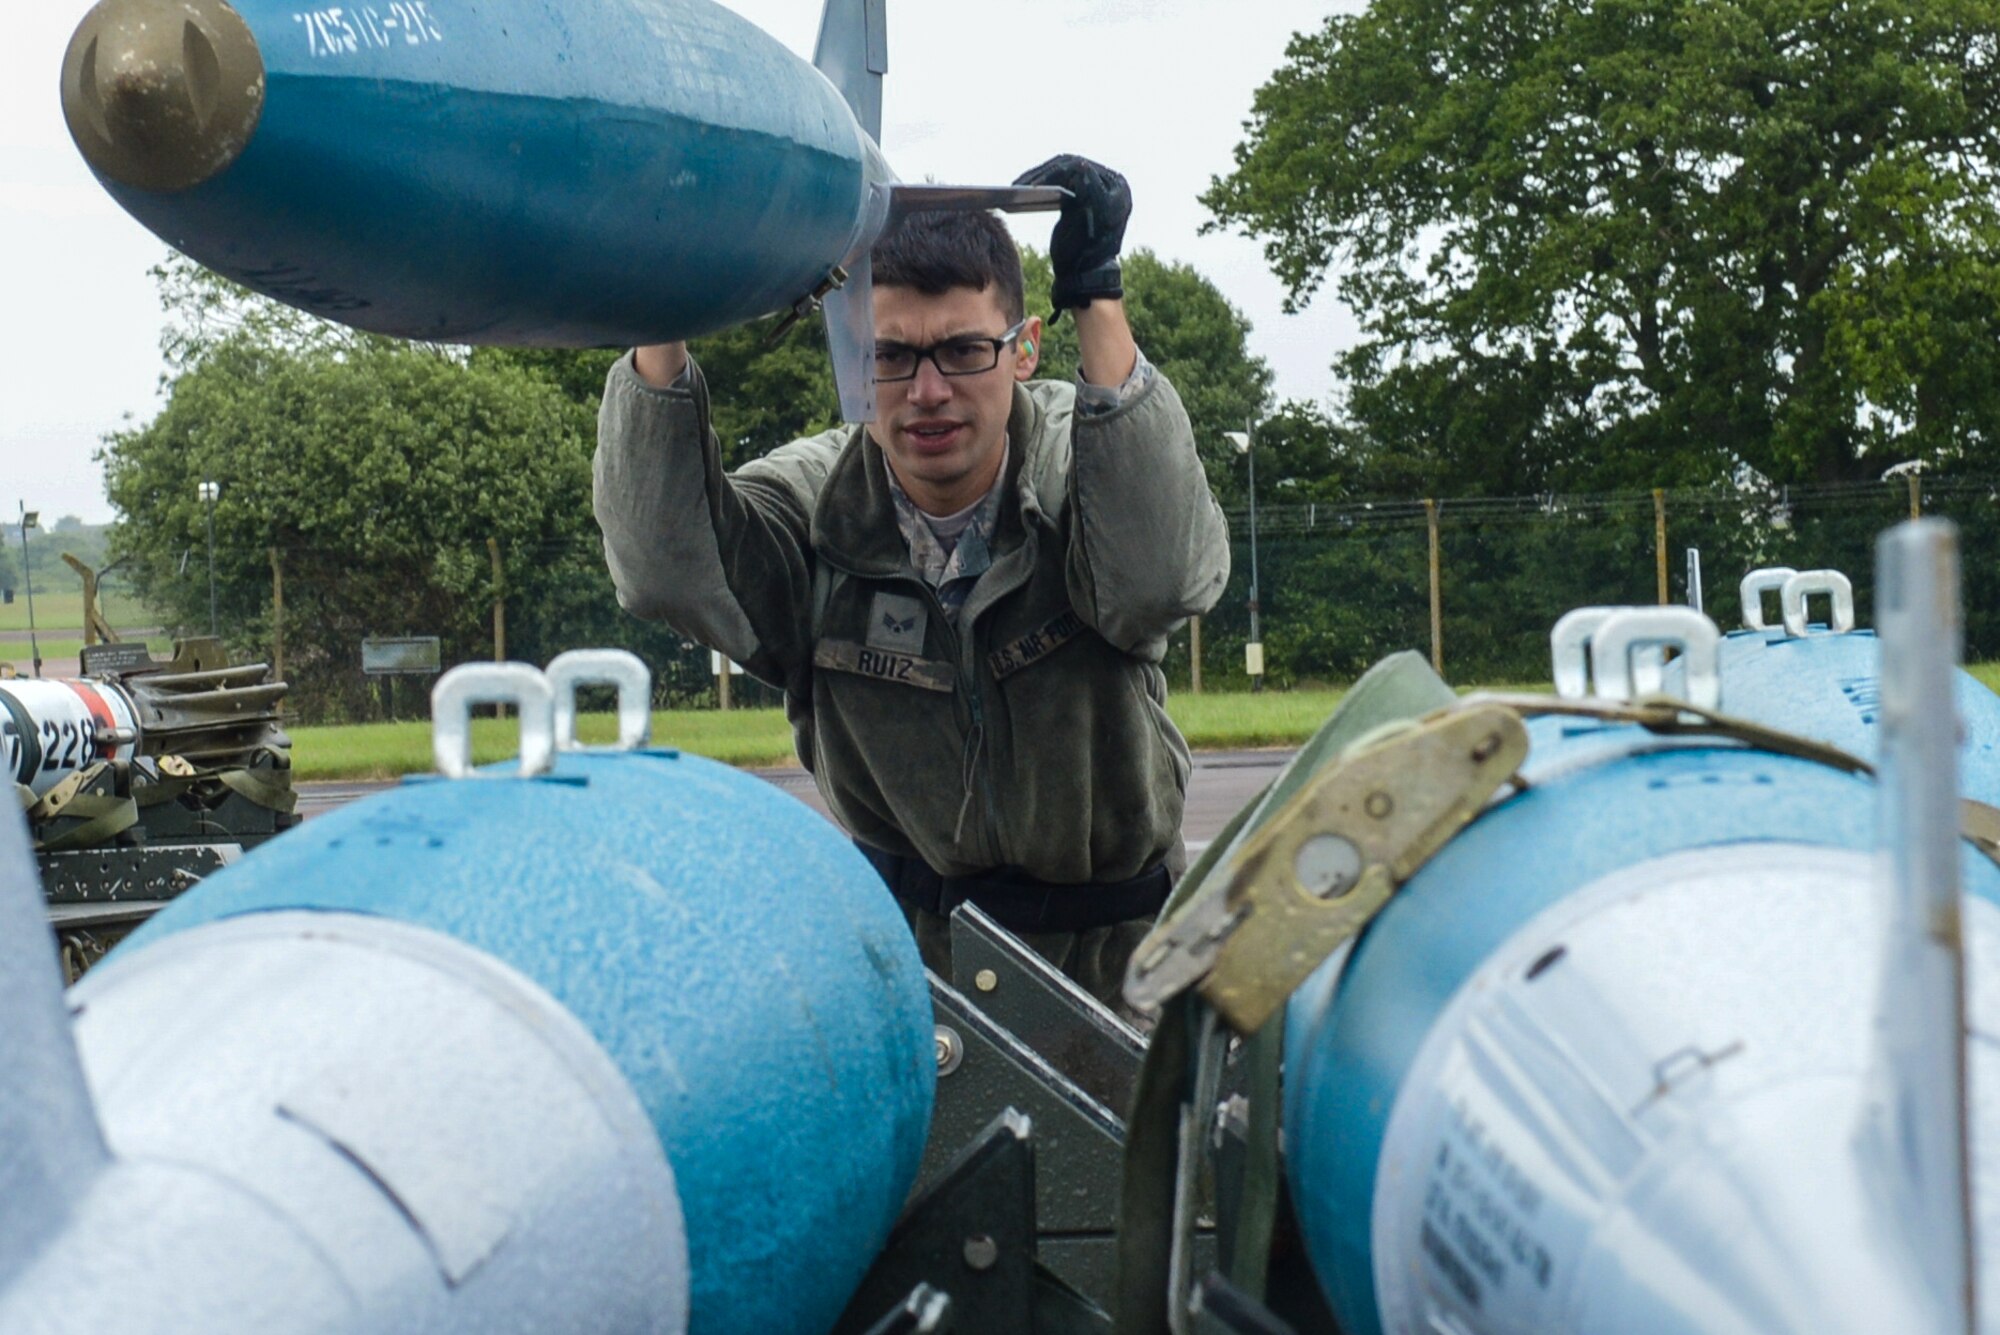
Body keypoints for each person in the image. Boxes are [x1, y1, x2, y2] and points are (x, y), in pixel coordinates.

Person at [593, 155, 1229, 1008]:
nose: (928, 392)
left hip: (1117, 970)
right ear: (855, 363)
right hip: (906, 974)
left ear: (1025, 349)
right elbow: (668, 565)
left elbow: (1160, 575)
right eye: (891, 355)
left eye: (964, 349)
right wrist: (659, 306)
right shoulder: (818, 506)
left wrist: (1098, 296)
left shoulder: (1084, 466)